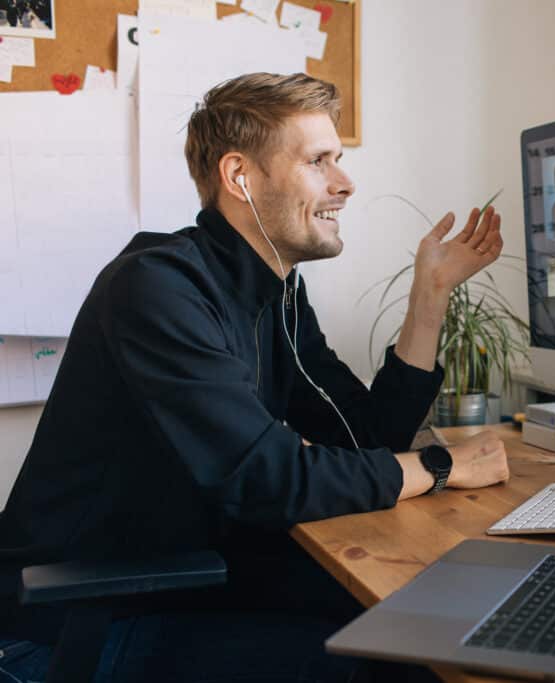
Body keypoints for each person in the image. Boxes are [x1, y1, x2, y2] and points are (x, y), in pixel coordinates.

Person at [0, 73, 510, 682]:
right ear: (240, 176)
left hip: (181, 585)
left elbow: (367, 434)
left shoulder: (280, 298)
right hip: (70, 629)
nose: (345, 184)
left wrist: (430, 292)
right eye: (319, 161)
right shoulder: (157, 289)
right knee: (401, 664)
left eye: (339, 161)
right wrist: (443, 467)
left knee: (422, 621)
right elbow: (267, 478)